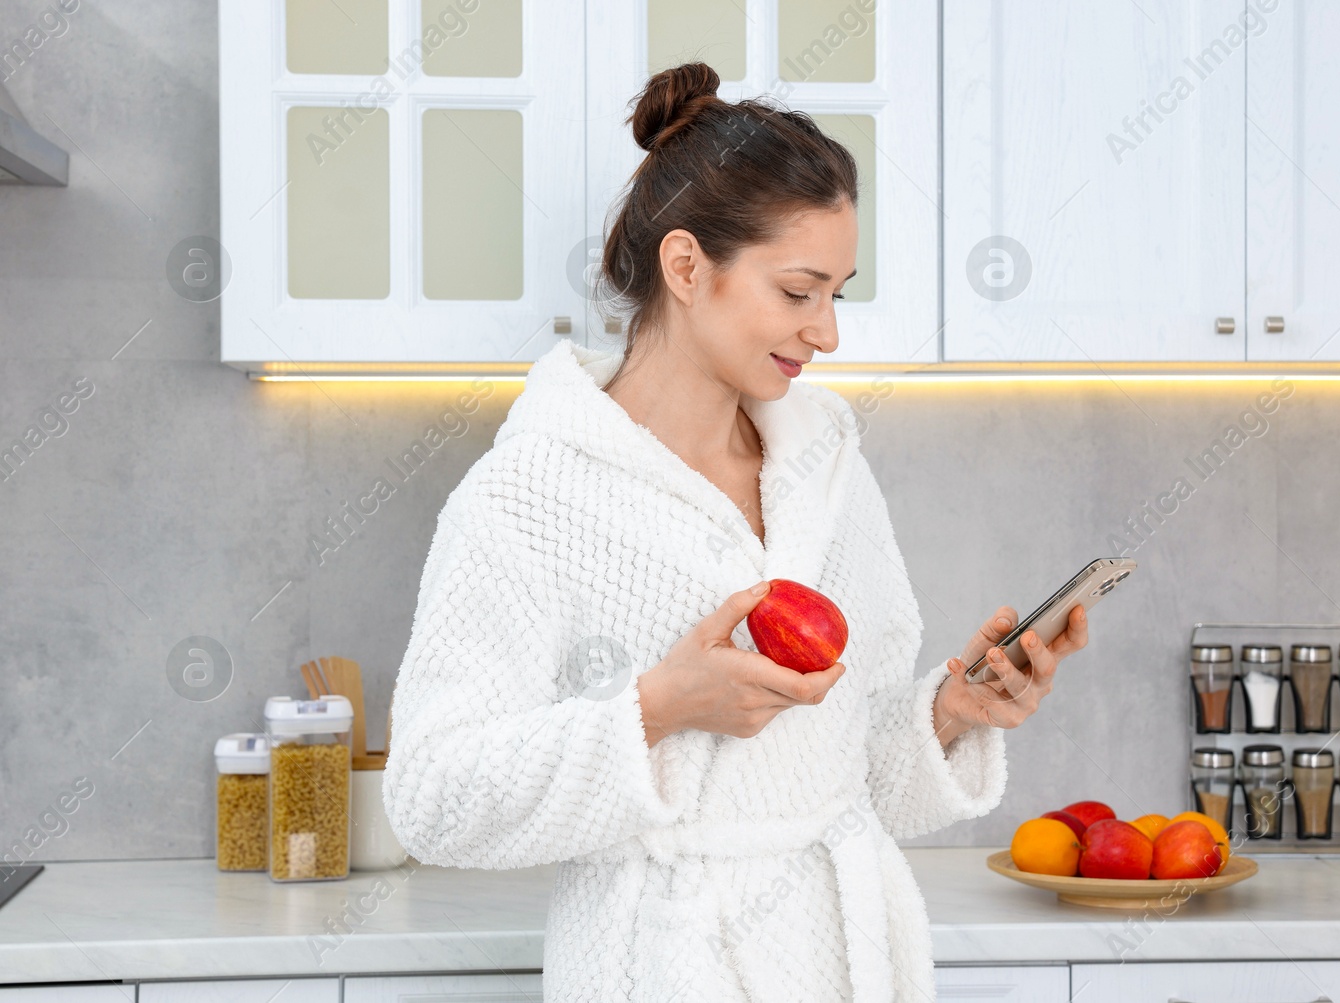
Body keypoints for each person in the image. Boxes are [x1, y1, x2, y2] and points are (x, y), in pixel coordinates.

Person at [383, 61, 1091, 1003]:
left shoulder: (824, 464)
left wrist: (955, 710)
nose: (828, 332)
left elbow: (852, 768)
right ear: (686, 267)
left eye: (837, 292)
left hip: (843, 957)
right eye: (799, 292)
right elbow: (433, 798)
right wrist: (660, 706)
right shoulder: (527, 496)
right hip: (661, 965)